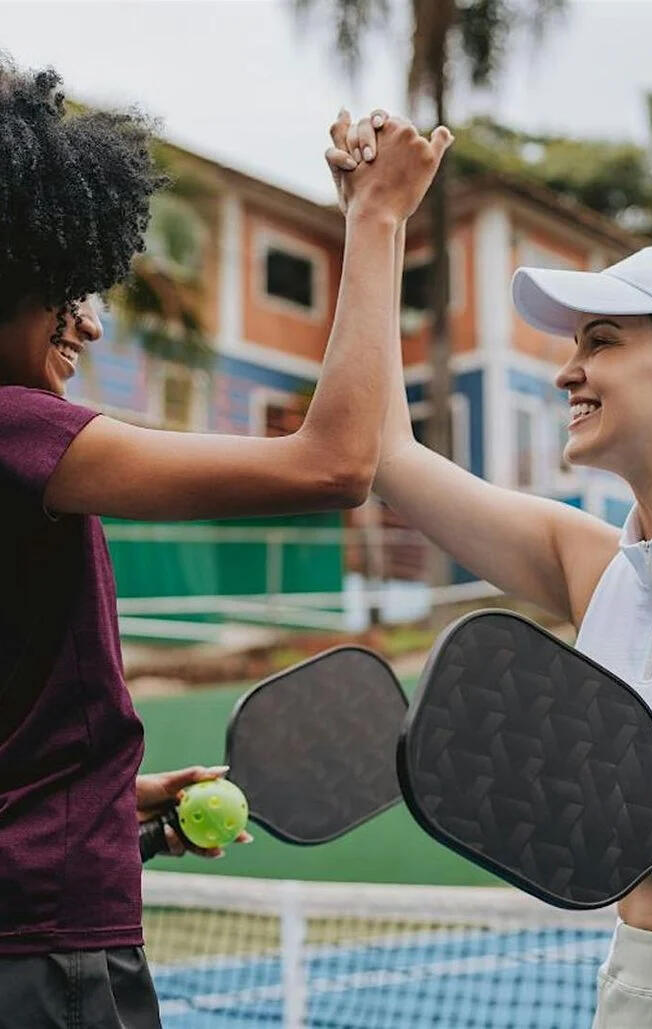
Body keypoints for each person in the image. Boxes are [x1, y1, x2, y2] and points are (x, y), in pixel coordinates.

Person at [0, 55, 451, 1028]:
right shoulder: (18, 431)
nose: (90, 323)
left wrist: (98, 805)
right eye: (71, 289)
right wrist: (377, 220)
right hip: (44, 956)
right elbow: (335, 465)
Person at [328, 111, 652, 1026]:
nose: (566, 372)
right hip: (632, 991)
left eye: (601, 341)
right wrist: (374, 221)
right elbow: (381, 452)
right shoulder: (586, 563)